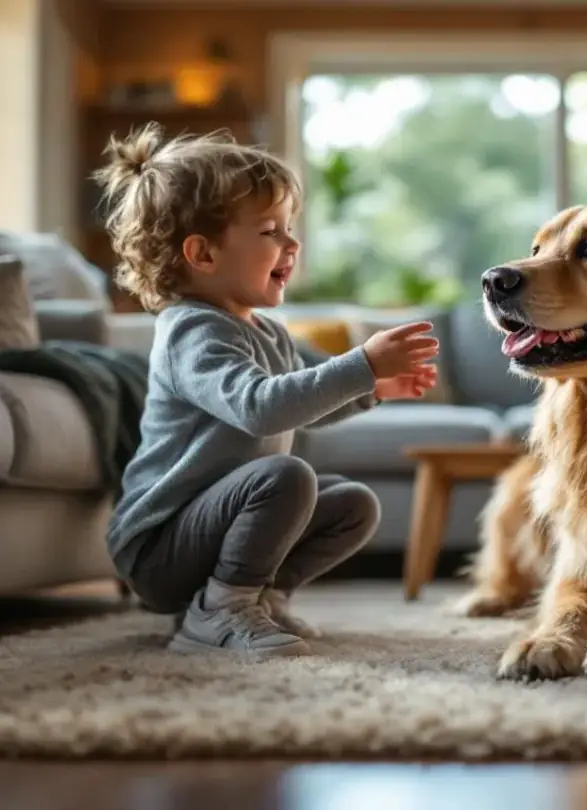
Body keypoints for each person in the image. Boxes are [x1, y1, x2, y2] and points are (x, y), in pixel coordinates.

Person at [97, 123, 439, 658]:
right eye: (270, 231)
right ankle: (219, 610)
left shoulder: (266, 331)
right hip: (159, 548)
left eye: (289, 227)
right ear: (203, 254)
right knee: (284, 476)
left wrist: (374, 386)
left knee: (352, 504)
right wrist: (361, 363)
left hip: (210, 533)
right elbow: (261, 409)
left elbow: (301, 404)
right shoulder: (192, 330)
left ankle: (255, 596)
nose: (292, 243)